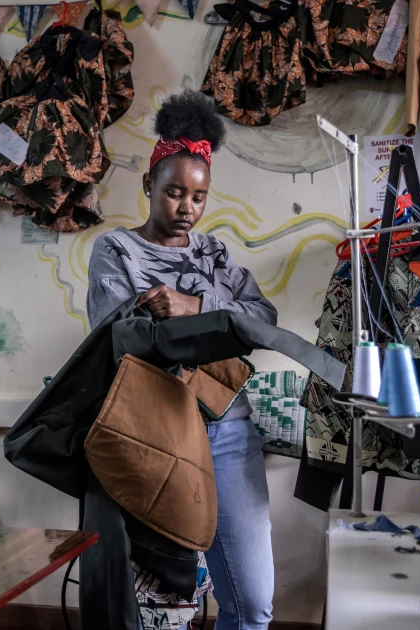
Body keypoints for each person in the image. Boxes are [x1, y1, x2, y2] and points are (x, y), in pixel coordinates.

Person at [86, 90, 276, 629]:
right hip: (155, 432)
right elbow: (114, 333)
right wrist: (215, 323)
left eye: (198, 197)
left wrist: (193, 305)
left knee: (253, 604)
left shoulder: (214, 254)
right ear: (148, 185)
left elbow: (262, 319)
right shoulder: (116, 251)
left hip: (228, 429)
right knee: (163, 609)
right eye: (173, 192)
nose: (186, 208)